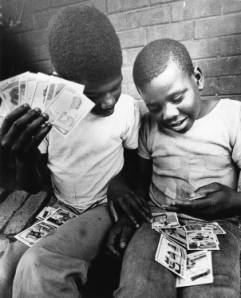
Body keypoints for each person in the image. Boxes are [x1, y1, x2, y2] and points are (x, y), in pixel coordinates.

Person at [0, 6, 143, 298]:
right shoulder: (46, 117)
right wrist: (23, 158)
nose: (106, 102)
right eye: (91, 95)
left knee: (39, 266)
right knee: (7, 268)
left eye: (114, 87)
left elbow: (135, 165)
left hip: (103, 209)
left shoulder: (127, 109)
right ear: (61, 81)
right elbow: (32, 185)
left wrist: (121, 183)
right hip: (61, 208)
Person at [109, 39, 241, 298]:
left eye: (178, 98)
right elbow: (139, 183)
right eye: (154, 106)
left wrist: (233, 201)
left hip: (220, 226)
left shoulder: (232, 117)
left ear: (198, 78)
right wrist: (127, 215)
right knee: (138, 289)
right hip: (156, 224)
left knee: (214, 291)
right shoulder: (148, 126)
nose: (167, 114)